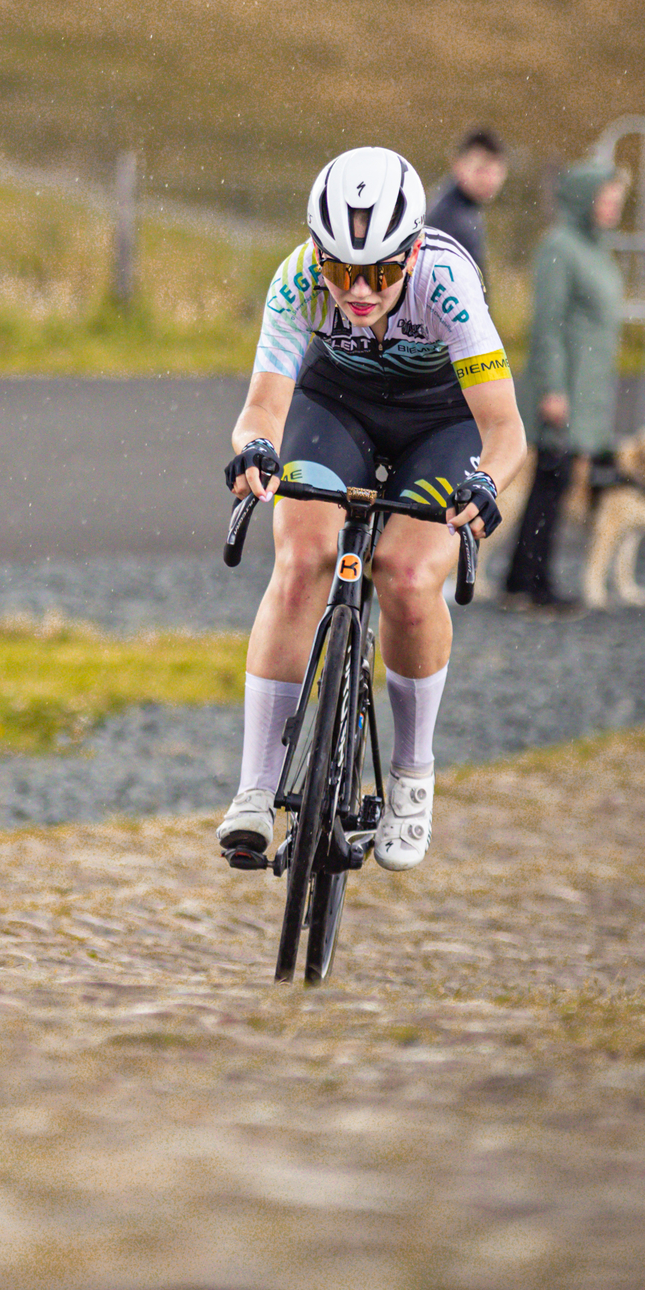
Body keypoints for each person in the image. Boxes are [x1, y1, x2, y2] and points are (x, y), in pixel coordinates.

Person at [218, 146, 526, 874]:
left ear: (412, 253)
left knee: (409, 577)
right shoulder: (297, 280)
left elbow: (507, 432)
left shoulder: (447, 282)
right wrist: (254, 451)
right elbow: (262, 407)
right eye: (340, 269)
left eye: (383, 273)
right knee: (299, 560)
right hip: (339, 408)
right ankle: (256, 789)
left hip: (440, 423)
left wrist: (487, 486)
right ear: (317, 254)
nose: (358, 290)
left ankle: (412, 777)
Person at [501, 159, 628, 612]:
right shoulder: (559, 246)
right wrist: (553, 389)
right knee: (549, 486)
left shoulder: (595, 248)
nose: (613, 207)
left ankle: (521, 580)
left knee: (551, 485)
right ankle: (535, 585)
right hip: (564, 388)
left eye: (616, 199)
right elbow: (548, 325)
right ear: (583, 199)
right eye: (606, 198)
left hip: (586, 388)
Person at [425, 126, 509, 280]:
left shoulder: (466, 209)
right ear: (458, 165)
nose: (489, 180)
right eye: (481, 169)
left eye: (496, 171)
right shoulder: (449, 217)